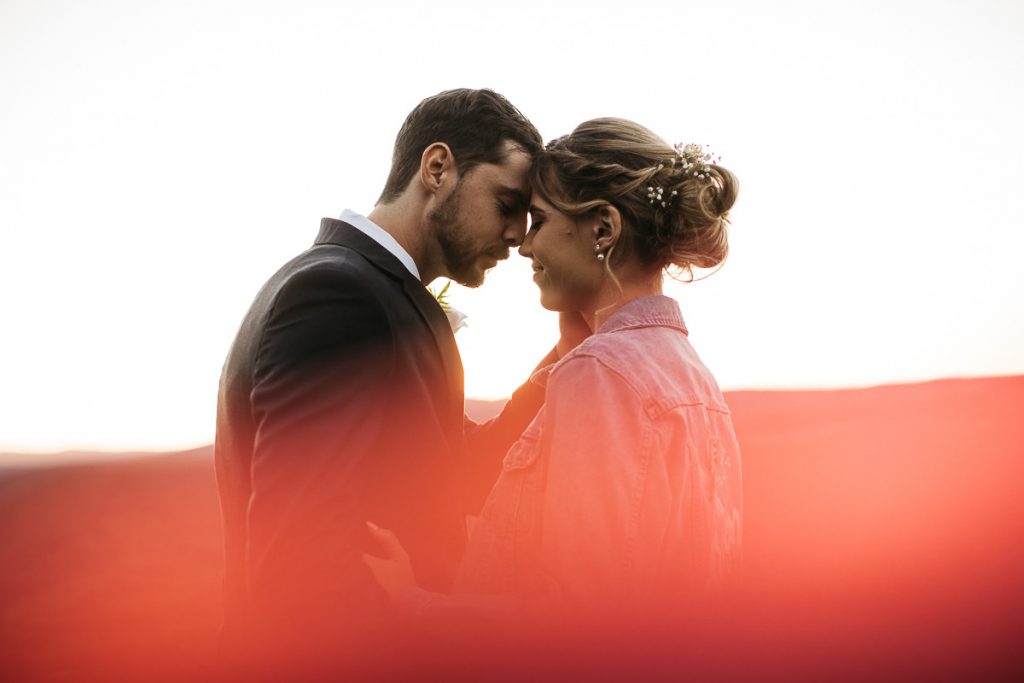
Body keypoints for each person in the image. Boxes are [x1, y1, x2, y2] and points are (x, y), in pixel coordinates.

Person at [213, 88, 586, 671]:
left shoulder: (366, 289)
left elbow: (455, 471)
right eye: (507, 202)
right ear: (437, 168)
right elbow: (299, 555)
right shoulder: (341, 296)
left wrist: (573, 346)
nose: (518, 236)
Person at [364, 118, 743, 638]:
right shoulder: (692, 377)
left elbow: (578, 626)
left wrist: (409, 603)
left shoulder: (603, 375)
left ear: (604, 229)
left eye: (539, 221)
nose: (523, 244)